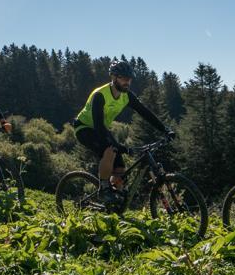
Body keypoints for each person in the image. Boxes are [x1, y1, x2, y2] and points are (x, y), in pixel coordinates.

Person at [73, 60, 174, 191]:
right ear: (113, 77)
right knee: (110, 150)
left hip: (101, 128)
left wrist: (165, 130)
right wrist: (116, 145)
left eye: (129, 79)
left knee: (120, 168)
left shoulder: (126, 96)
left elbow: (145, 112)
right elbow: (98, 126)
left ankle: (115, 199)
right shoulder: (100, 95)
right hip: (84, 128)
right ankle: (104, 189)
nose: (127, 82)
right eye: (123, 78)